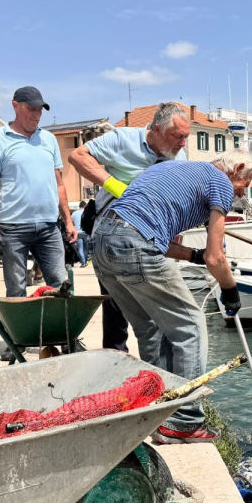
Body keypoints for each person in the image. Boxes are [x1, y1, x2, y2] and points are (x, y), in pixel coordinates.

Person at [90, 151, 252, 444]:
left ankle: (160, 414)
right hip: (133, 241)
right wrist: (230, 290)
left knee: (150, 330)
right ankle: (186, 421)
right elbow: (217, 259)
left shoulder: (176, 169)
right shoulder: (221, 182)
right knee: (190, 327)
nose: (242, 193)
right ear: (237, 168)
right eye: (244, 185)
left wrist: (194, 256)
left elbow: (149, 236)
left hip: (101, 241)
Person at [69, 102, 190, 353]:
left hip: (156, 238)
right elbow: (77, 156)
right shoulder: (122, 139)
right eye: (177, 136)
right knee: (116, 307)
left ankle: (156, 371)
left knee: (157, 309)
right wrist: (116, 187)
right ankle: (114, 364)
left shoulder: (180, 156)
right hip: (115, 237)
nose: (182, 143)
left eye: (185, 137)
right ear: (157, 129)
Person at [0, 86, 77, 298]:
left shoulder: (49, 139)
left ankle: (59, 331)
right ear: (16, 106)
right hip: (13, 228)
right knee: (16, 290)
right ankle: (20, 331)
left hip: (49, 227)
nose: (37, 114)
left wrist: (68, 221)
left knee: (61, 286)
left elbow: (59, 184)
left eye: (40, 110)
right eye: (32, 108)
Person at [71, 201, 88, 267]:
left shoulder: (74, 213)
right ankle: (85, 261)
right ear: (84, 206)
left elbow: (72, 222)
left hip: (77, 232)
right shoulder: (86, 213)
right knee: (86, 248)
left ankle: (83, 263)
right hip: (86, 232)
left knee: (80, 248)